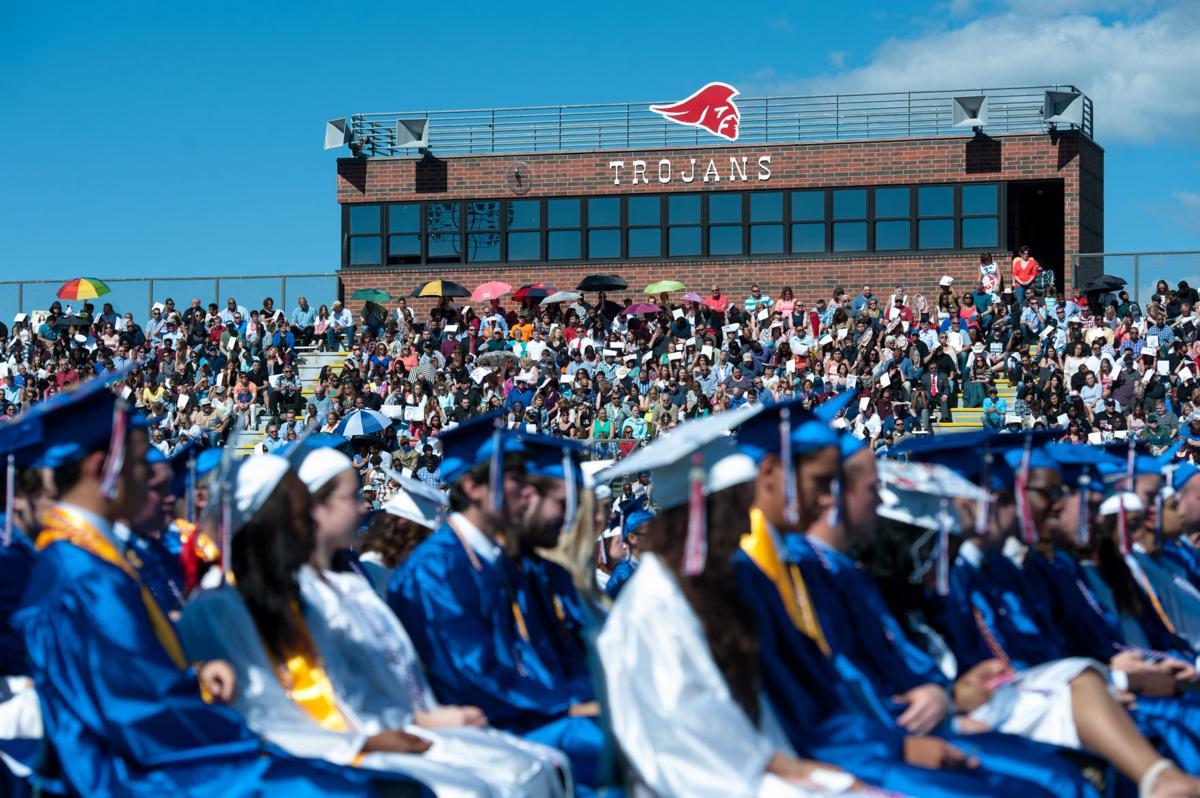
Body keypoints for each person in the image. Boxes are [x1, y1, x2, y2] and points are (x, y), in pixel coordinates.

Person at [9, 374, 377, 797]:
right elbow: (143, 714)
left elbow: (134, 685)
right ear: (101, 468)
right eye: (139, 462)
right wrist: (252, 740)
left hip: (140, 753)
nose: (149, 477)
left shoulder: (86, 559)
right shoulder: (82, 575)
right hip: (124, 774)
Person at [597, 422, 862, 797]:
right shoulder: (653, 607)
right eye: (735, 510)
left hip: (749, 763)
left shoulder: (704, 589)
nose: (743, 527)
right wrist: (809, 772)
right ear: (698, 516)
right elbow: (697, 735)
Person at [388, 414, 603, 795]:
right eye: (516, 480)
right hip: (485, 723)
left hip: (525, 712)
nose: (527, 492)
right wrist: (566, 705)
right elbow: (469, 672)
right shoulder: (435, 569)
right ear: (472, 486)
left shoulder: (495, 560)